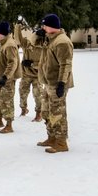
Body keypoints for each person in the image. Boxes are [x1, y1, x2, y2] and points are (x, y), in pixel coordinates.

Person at [37, 14, 74, 153]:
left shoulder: (62, 42)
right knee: (46, 111)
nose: (43, 28)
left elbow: (66, 65)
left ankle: (61, 142)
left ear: (51, 26)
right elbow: (33, 42)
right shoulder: (51, 39)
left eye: (45, 25)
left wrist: (61, 83)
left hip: (57, 83)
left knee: (57, 113)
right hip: (48, 83)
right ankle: (51, 137)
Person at [0, 22, 22, 134]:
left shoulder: (10, 45)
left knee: (7, 100)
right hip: (1, 76)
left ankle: (9, 124)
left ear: (1, 33)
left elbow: (13, 63)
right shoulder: (3, 42)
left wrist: (5, 77)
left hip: (8, 78)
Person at [14, 20, 46, 122]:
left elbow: (45, 65)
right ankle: (24, 109)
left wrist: (32, 64)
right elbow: (18, 39)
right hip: (26, 74)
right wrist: (18, 26)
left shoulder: (45, 47)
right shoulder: (28, 44)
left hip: (38, 76)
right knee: (22, 92)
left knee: (38, 94)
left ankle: (39, 113)